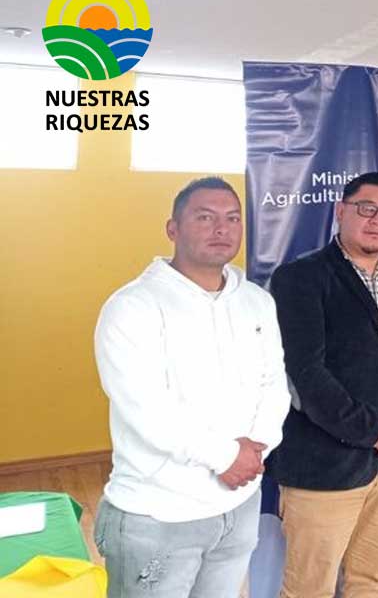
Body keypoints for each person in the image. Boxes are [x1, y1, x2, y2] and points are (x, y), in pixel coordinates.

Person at [93, 176, 291, 598]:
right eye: (205, 217)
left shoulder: (257, 301)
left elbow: (274, 383)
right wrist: (226, 456)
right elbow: (146, 409)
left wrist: (256, 448)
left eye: (232, 218)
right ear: (173, 229)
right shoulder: (133, 307)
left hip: (238, 504)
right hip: (160, 513)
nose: (221, 228)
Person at [268, 171, 378, 598]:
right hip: (324, 464)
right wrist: (373, 429)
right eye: (367, 208)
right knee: (309, 588)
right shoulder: (299, 279)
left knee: (372, 580)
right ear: (340, 211)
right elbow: (305, 374)